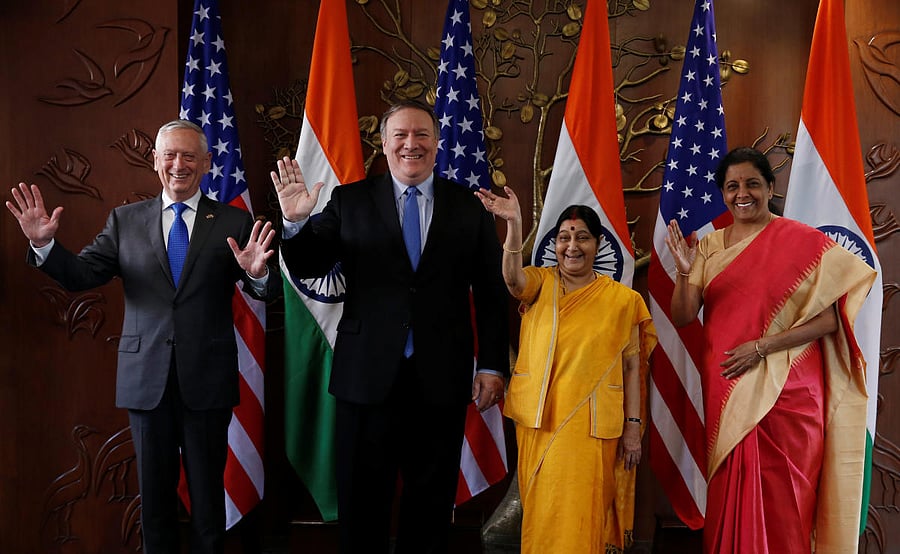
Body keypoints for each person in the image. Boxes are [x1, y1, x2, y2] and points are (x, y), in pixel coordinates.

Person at [5, 119, 278, 554]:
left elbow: (263, 288)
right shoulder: (125, 220)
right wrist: (44, 248)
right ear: (155, 161)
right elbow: (82, 275)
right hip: (145, 380)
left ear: (207, 163)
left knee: (209, 504)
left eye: (190, 156)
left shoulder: (232, 221)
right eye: (169, 154)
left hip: (207, 382)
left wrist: (258, 276)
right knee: (154, 505)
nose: (179, 164)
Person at [272, 100, 510, 554]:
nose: (411, 144)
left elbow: (492, 292)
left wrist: (494, 364)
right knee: (363, 504)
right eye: (400, 135)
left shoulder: (469, 206)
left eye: (421, 134)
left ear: (437, 144)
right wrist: (295, 220)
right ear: (383, 145)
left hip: (440, 378)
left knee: (431, 503)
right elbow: (310, 264)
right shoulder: (350, 200)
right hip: (365, 379)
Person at [664, 147, 877, 553]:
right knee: (731, 488)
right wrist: (685, 272)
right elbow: (684, 316)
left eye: (751, 184)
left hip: (790, 391)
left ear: (770, 187)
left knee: (788, 497)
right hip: (728, 387)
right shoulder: (707, 247)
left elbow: (833, 319)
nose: (742, 193)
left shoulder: (803, 242)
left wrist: (763, 347)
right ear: (722, 195)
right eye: (732, 187)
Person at [476, 188, 657, 553]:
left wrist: (633, 428)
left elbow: (633, 365)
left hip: (592, 427)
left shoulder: (624, 299)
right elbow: (513, 282)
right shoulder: (540, 283)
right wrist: (513, 224)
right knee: (545, 513)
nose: (571, 246)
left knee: (583, 514)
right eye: (563, 237)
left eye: (582, 237)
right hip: (542, 421)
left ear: (598, 244)